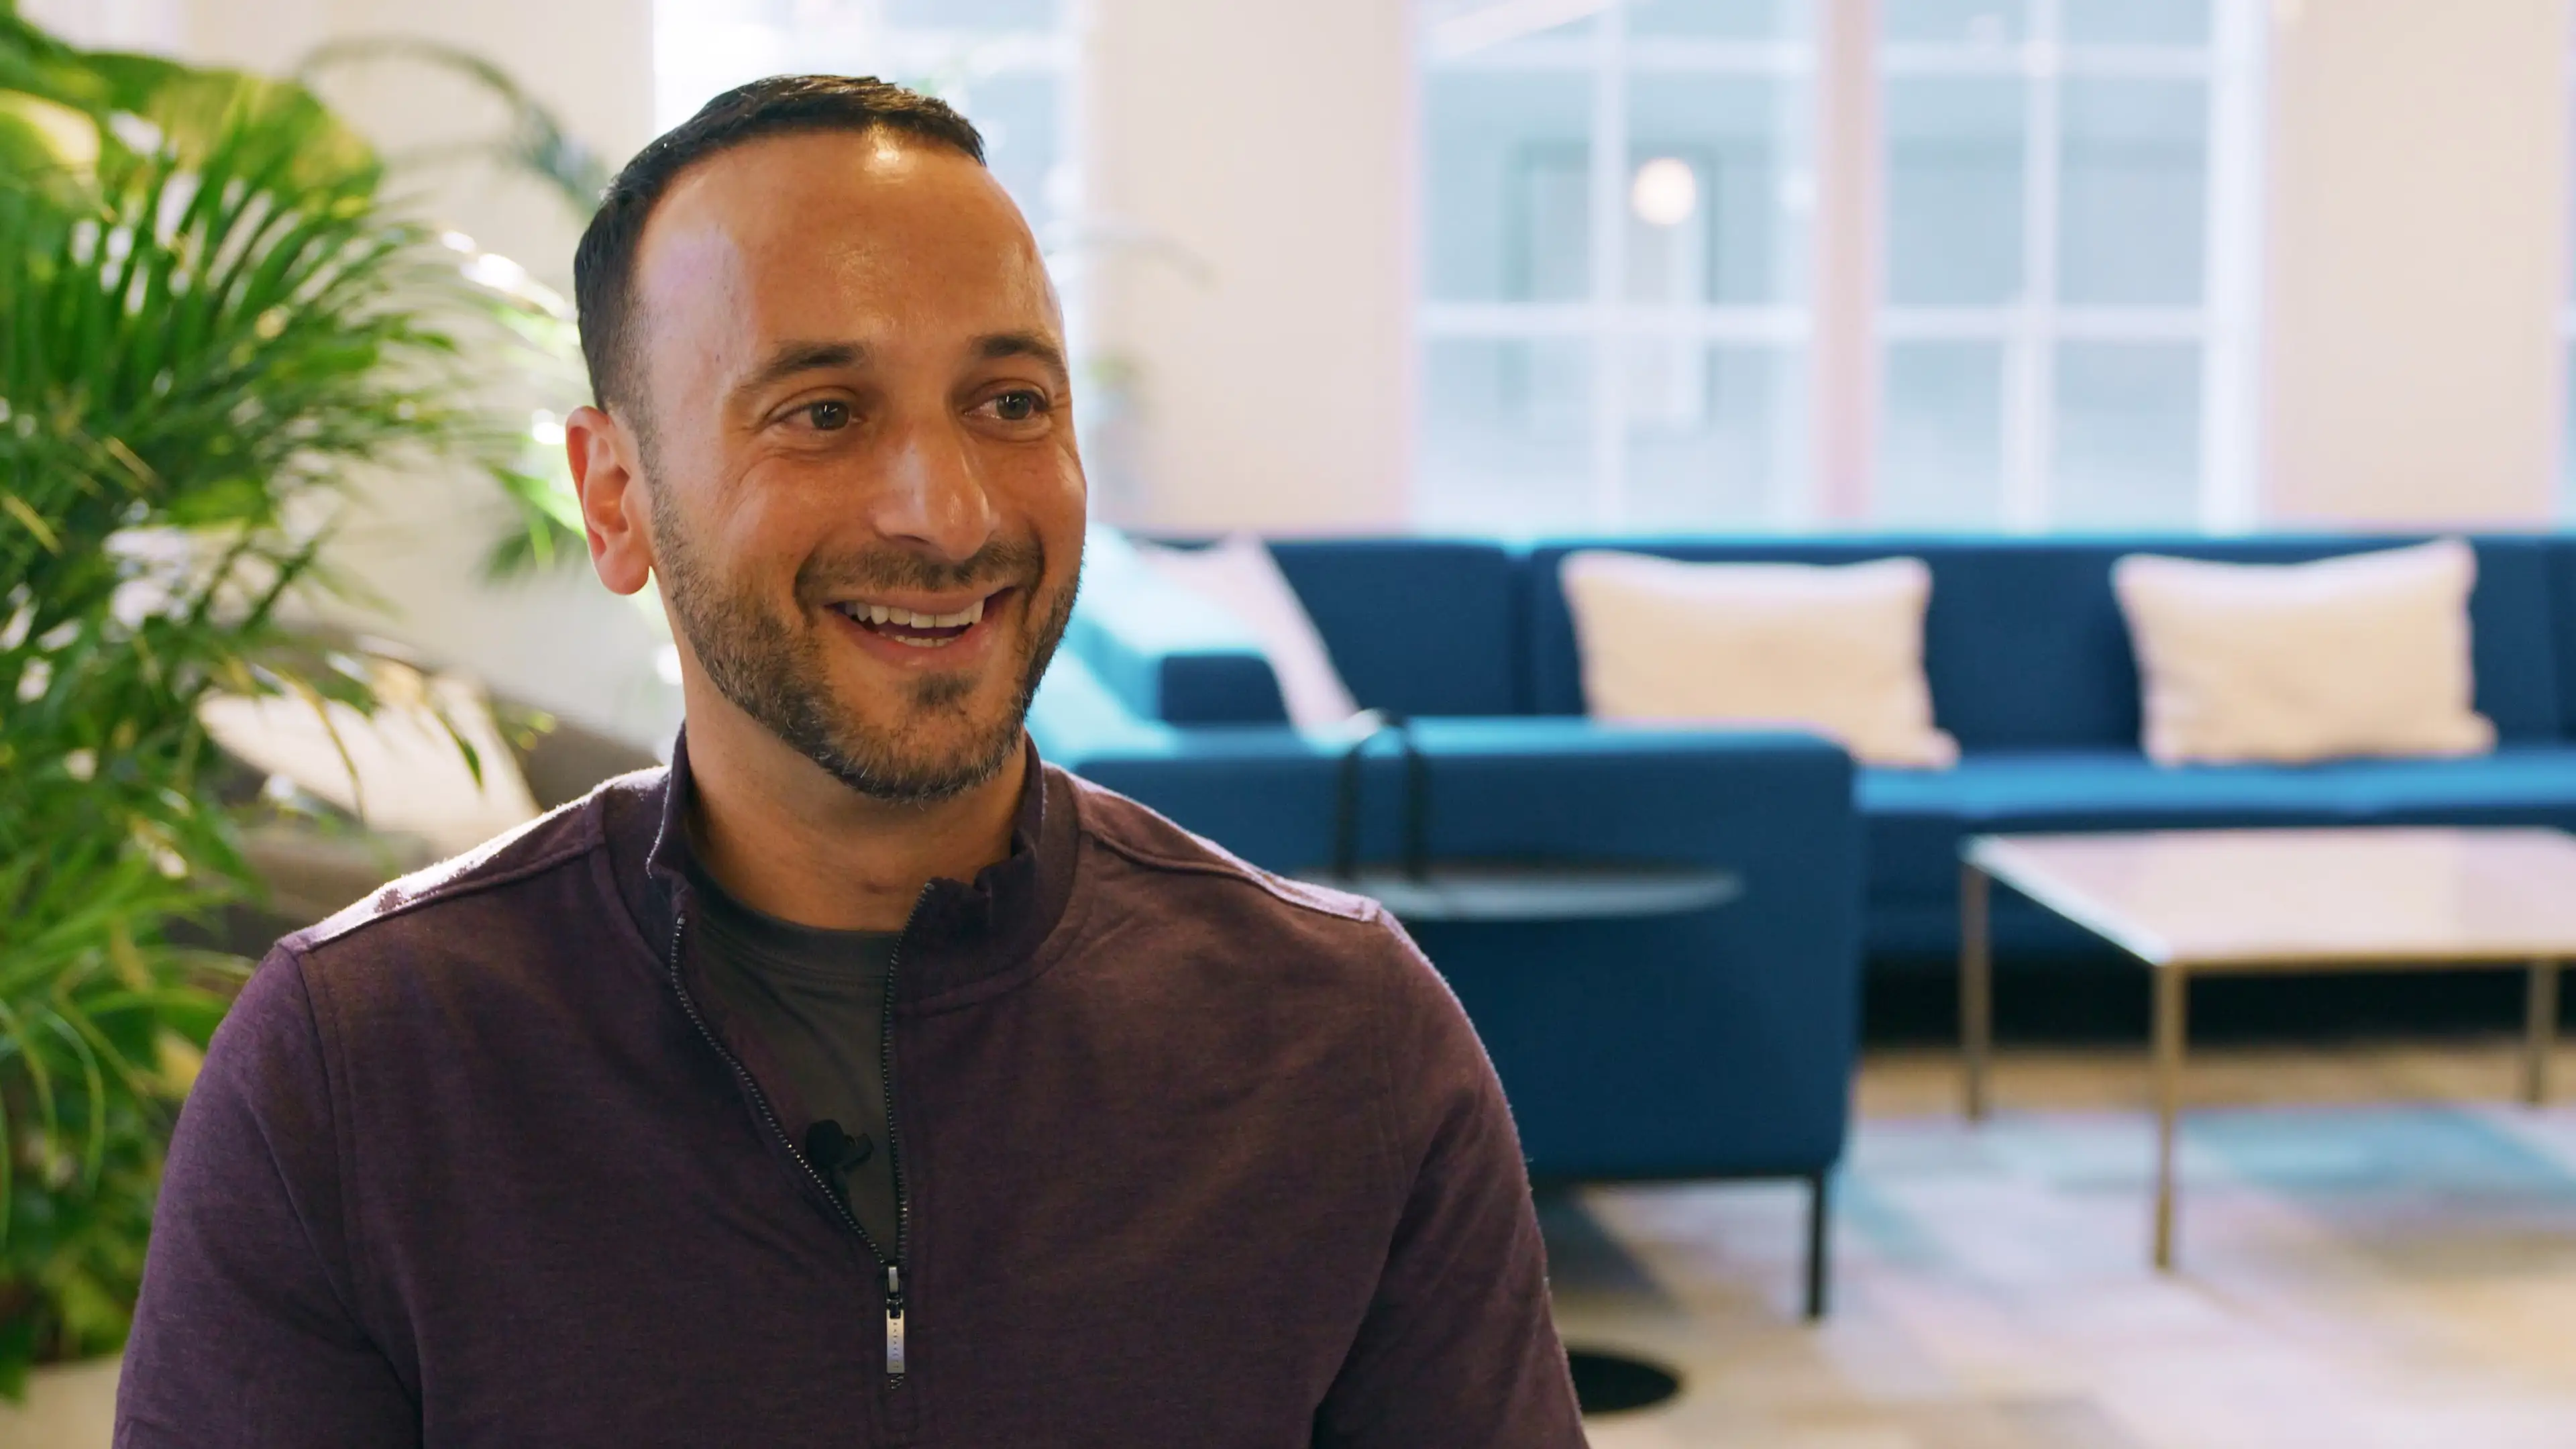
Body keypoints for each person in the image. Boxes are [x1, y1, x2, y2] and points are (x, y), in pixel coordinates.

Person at [115, 74, 1584, 1446]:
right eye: (822, 414)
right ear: (614, 494)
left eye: (1011, 404)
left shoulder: (1336, 1038)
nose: (946, 515)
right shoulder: (361, 1067)